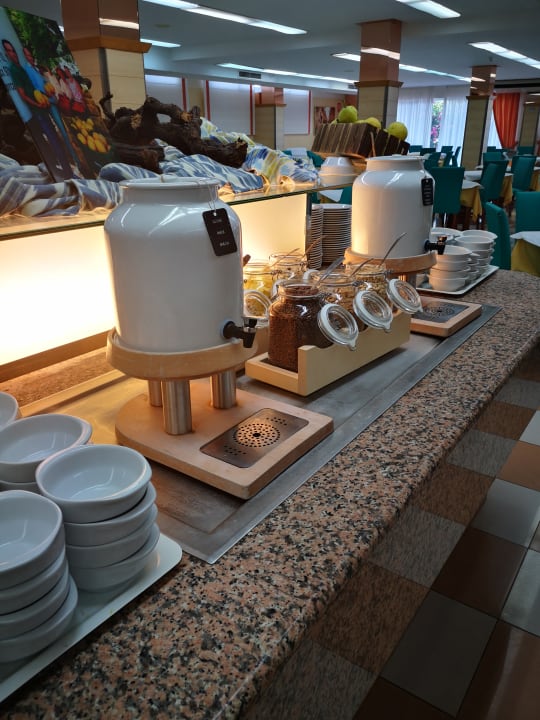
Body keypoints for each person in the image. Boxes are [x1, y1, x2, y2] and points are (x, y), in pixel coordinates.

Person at [1, 38, 73, 178]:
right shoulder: (14, 70)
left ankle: (65, 170)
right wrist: (37, 104)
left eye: (13, 50)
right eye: (9, 51)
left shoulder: (22, 68)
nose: (13, 53)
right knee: (53, 141)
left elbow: (32, 90)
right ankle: (66, 172)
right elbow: (22, 95)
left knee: (54, 140)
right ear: (6, 54)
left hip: (42, 108)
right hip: (37, 112)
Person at [22, 46, 79, 166]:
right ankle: (69, 160)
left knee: (63, 131)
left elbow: (46, 84)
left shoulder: (36, 69)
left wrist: (51, 92)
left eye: (30, 55)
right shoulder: (27, 70)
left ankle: (75, 159)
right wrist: (46, 93)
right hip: (43, 103)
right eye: (26, 55)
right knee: (56, 134)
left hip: (51, 101)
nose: (29, 57)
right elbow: (35, 88)